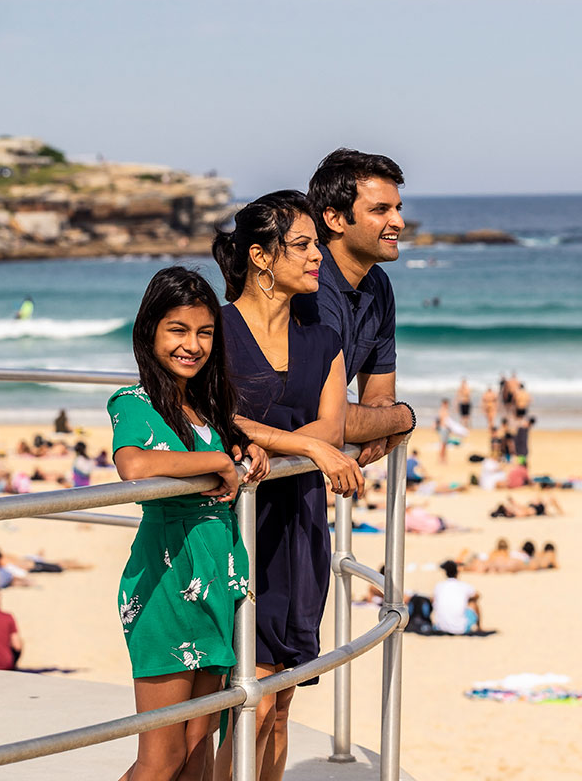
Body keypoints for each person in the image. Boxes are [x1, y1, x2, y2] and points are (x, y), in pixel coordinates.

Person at [212, 191, 365, 780]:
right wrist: (303, 446)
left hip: (300, 530)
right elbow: (216, 414)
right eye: (300, 246)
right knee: (252, 699)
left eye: (313, 245)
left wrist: (308, 441)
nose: (315, 257)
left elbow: (332, 422)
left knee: (281, 705)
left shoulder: (323, 340)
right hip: (236, 525)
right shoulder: (218, 329)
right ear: (260, 256)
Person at [108, 266, 268, 781]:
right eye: (177, 330)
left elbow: (226, 451)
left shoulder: (207, 406)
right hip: (166, 582)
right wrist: (217, 463)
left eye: (204, 332)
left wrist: (246, 451)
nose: (192, 345)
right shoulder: (134, 403)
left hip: (216, 580)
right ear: (150, 329)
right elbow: (132, 465)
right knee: (163, 758)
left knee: (199, 751)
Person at [295, 148, 414, 467]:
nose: (398, 222)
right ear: (334, 219)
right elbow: (331, 420)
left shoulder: (378, 284)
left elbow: (378, 398)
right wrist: (403, 417)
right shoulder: (310, 284)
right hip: (252, 469)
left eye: (398, 208)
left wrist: (380, 421)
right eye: (381, 209)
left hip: (303, 470)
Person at [432, 560, 481, 634]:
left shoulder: (439, 586)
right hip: (460, 628)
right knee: (473, 604)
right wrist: (467, 599)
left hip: (441, 627)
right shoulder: (464, 586)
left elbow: (433, 600)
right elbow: (477, 595)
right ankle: (479, 628)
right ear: (457, 573)